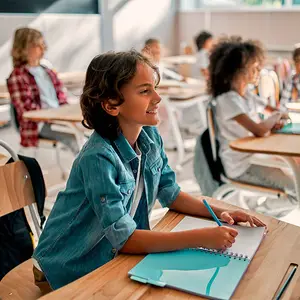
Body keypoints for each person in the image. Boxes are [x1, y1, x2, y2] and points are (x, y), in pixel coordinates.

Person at [32, 50, 265, 291]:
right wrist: (201, 238)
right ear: (111, 104)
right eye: (144, 91)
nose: (157, 98)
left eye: (154, 88)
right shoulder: (98, 157)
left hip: (107, 253)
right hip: (65, 267)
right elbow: (126, 239)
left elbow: (170, 192)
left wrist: (224, 212)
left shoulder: (149, 135)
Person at [209, 39, 297, 217]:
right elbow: (259, 129)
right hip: (241, 165)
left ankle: (262, 212)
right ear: (236, 72)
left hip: (256, 156)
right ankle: (259, 212)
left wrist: (274, 118)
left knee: (295, 175)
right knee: (298, 190)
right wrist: (273, 119)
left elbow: (272, 111)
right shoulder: (228, 100)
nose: (258, 72)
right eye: (254, 68)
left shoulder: (247, 95)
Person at [7, 27, 78, 154]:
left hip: (59, 119)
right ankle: (84, 173)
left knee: (91, 134)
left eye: (43, 44)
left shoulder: (47, 71)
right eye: (37, 45)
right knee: (75, 140)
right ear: (24, 48)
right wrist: (53, 116)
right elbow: (27, 110)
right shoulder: (17, 76)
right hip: (39, 125)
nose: (43, 47)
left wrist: (64, 114)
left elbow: (61, 96)